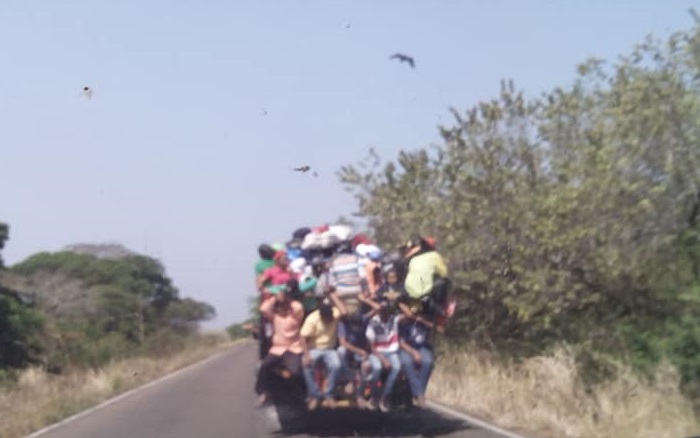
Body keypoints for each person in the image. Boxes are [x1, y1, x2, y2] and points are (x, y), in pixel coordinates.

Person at [255, 289, 305, 407]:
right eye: (279, 308)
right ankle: (264, 392)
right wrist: (275, 298)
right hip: (277, 349)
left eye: (284, 307)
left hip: (293, 348)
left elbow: (299, 307)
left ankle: (296, 395)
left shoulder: (295, 317)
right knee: (264, 367)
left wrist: (286, 299)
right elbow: (264, 309)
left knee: (295, 372)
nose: (282, 310)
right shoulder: (275, 318)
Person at [300, 295, 347, 410]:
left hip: (330, 349)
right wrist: (306, 355)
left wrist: (332, 294)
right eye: (327, 317)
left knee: (336, 365)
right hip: (314, 349)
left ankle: (329, 394)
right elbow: (302, 338)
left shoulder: (335, 314)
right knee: (306, 364)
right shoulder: (312, 319)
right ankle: (314, 395)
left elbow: (344, 312)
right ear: (321, 315)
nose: (330, 319)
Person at [336, 295, 382, 409]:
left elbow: (378, 308)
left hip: (362, 353)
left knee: (365, 367)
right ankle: (350, 380)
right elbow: (343, 343)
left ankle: (360, 395)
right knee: (340, 351)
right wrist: (359, 351)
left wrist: (364, 299)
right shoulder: (343, 323)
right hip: (350, 351)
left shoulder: (364, 319)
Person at [365, 297, 404, 412]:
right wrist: (383, 360)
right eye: (382, 310)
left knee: (396, 367)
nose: (385, 313)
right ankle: (374, 396)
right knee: (377, 368)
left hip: (391, 351)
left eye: (387, 310)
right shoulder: (373, 323)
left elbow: (409, 315)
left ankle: (385, 396)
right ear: (379, 311)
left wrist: (399, 302)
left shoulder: (394, 320)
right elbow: (372, 348)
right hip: (377, 353)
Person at [402, 235, 450, 321]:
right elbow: (444, 273)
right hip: (423, 294)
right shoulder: (435, 256)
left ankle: (420, 304)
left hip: (410, 294)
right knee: (445, 281)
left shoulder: (413, 259)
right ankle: (441, 307)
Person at [398, 311, 435, 407]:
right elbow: (401, 343)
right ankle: (419, 394)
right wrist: (414, 353)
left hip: (422, 348)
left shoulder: (424, 323)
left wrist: (422, 320)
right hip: (406, 348)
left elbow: (435, 327)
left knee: (428, 362)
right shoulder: (404, 323)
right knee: (407, 363)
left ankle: (418, 394)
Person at [327, 240, 369, 315]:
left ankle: (343, 312)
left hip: (341, 293)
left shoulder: (334, 263)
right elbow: (363, 277)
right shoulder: (357, 259)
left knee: (331, 294)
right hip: (357, 291)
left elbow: (332, 283)